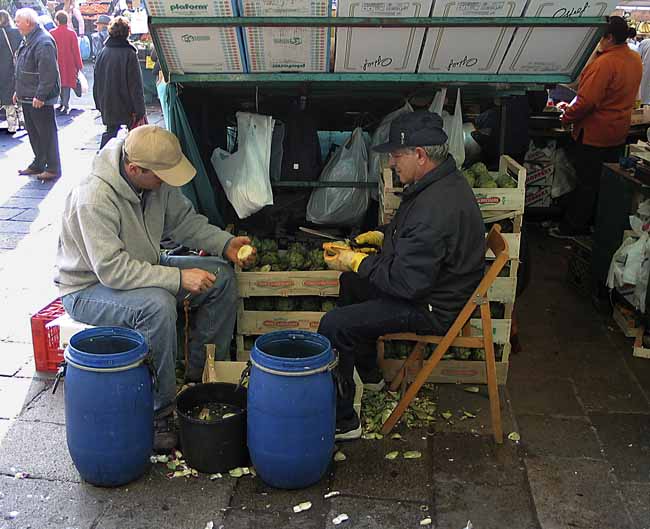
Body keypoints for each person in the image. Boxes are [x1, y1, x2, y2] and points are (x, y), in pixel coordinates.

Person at [54, 125, 256, 452]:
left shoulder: (152, 182)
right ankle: (160, 412)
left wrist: (226, 243)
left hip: (142, 267)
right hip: (87, 287)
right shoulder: (93, 197)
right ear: (135, 170)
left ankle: (197, 380)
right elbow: (112, 270)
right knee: (157, 304)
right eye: (160, 177)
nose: (164, 183)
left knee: (220, 278)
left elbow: (184, 222)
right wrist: (178, 279)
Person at [317, 111, 486, 440]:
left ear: (420, 155)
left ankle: (344, 421)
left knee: (334, 325)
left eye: (396, 155)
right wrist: (382, 237)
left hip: (431, 306)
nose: (392, 163)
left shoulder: (435, 207)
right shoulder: (439, 184)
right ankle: (370, 375)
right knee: (351, 283)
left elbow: (406, 283)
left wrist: (358, 262)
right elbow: (414, 241)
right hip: (430, 288)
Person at [549, 16, 642, 238]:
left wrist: (564, 117)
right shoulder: (634, 59)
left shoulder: (605, 63)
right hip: (618, 131)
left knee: (586, 183)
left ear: (609, 37)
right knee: (604, 183)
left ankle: (573, 227)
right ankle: (596, 225)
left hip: (594, 133)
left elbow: (588, 101)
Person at [14, 7, 61, 181]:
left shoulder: (43, 42)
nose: (16, 24)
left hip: (39, 98)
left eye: (18, 21)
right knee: (34, 133)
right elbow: (23, 67)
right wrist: (17, 91)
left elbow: (48, 73)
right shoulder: (28, 39)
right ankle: (39, 163)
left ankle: (53, 167)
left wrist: (41, 96)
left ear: (28, 22)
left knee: (46, 133)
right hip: (27, 95)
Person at [93, 16, 145, 148]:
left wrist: (99, 103)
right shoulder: (129, 53)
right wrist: (140, 110)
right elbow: (135, 85)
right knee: (134, 137)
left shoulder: (103, 52)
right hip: (126, 104)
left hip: (108, 102)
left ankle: (103, 161)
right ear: (127, 32)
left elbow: (97, 80)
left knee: (110, 133)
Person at [50, 10, 82, 114]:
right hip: (69, 63)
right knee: (67, 84)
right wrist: (79, 65)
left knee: (59, 83)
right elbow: (76, 51)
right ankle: (65, 104)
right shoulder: (72, 33)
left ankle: (60, 103)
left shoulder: (52, 33)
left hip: (56, 61)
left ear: (57, 20)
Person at [0, 10, 24, 134]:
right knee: (19, 94)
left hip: (3, 70)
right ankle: (22, 119)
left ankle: (12, 125)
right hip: (19, 68)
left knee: (7, 99)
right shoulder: (17, 32)